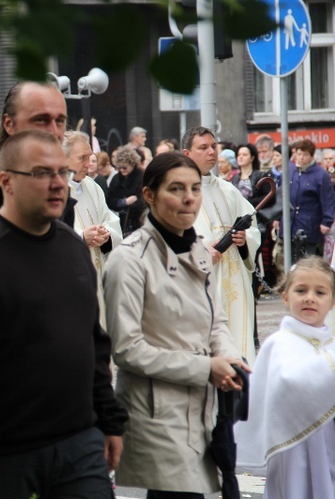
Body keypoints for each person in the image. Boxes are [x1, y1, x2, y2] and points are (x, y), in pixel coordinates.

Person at [0, 130, 127, 498]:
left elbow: (91, 343)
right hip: (4, 446)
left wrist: (108, 418)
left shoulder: (71, 247)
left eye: (61, 173)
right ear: (6, 181)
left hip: (78, 441)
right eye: (40, 173)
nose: (57, 185)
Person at [104, 152, 250, 498]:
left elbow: (217, 322)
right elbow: (126, 350)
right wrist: (205, 368)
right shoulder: (129, 260)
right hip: (155, 414)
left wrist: (230, 359)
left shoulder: (199, 249)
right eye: (177, 189)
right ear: (149, 195)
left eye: (196, 188)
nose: (189, 198)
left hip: (200, 409)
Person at [236, 257, 335, 499]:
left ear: (332, 301)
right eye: (301, 290)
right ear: (285, 296)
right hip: (291, 447)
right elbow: (288, 383)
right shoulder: (279, 344)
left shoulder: (331, 346)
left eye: (320, 292)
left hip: (328, 443)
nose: (309, 297)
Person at [183, 126, 261, 365]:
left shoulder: (229, 190)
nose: (211, 152)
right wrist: (200, 250)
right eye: (203, 148)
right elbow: (166, 235)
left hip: (235, 277)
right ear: (187, 154)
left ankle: (241, 394)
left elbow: (253, 228)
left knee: (239, 343)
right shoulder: (178, 191)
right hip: (204, 279)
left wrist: (244, 240)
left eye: (213, 147)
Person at [64, 131, 122, 329]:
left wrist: (106, 234)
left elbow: (110, 219)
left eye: (90, 157)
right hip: (72, 280)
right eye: (82, 158)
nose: (89, 164)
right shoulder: (53, 189)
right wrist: (81, 237)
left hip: (98, 273)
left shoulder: (92, 186)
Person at [275, 139, 335, 257]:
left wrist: (326, 221)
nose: (301, 157)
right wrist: (277, 217)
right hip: (289, 223)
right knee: (287, 259)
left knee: (306, 259)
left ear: (312, 156)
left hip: (309, 224)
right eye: (299, 154)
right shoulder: (289, 170)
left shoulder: (320, 174)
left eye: (305, 154)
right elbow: (281, 195)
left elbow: (328, 199)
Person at [107, 145, 145, 237]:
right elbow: (109, 199)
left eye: (124, 167)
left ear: (133, 164)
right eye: (119, 167)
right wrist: (125, 202)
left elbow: (143, 200)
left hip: (138, 221)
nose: (121, 170)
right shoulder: (116, 178)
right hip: (121, 221)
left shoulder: (141, 176)